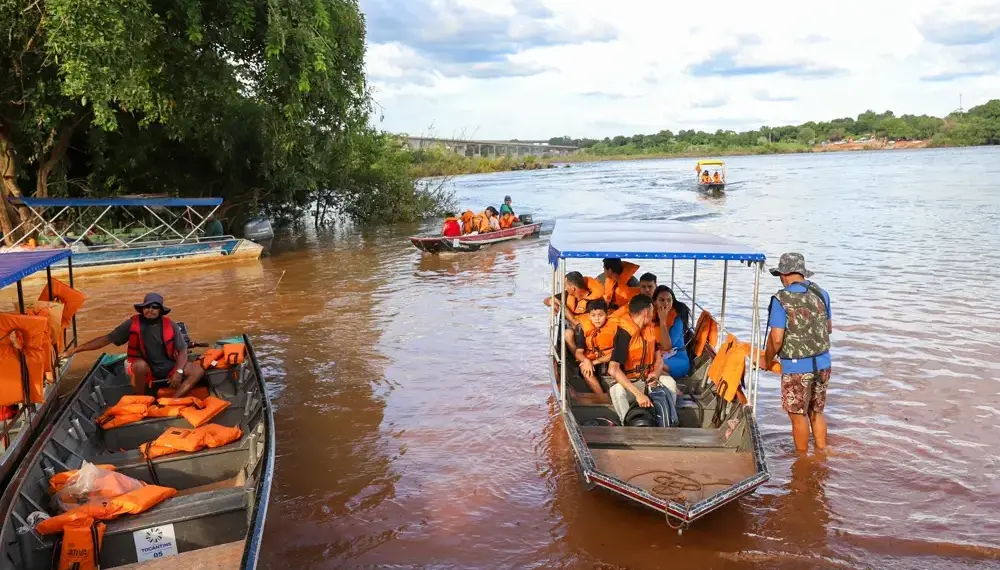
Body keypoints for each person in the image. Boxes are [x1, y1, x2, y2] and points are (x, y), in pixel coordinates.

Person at [60, 293, 205, 396]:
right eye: (147, 307)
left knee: (197, 371)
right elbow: (107, 339)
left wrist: (178, 372)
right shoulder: (132, 324)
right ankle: (142, 399)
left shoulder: (170, 325)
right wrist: (74, 351)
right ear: (142, 309)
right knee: (139, 365)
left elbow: (182, 349)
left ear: (160, 310)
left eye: (155, 307)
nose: (150, 310)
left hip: (168, 366)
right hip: (145, 369)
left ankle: (174, 400)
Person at [762, 253, 832, 453]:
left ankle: (802, 461)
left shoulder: (781, 299)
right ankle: (821, 453)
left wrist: (767, 360)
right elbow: (828, 328)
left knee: (797, 415)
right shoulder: (821, 293)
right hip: (823, 364)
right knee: (816, 412)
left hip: (796, 367)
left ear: (784, 275)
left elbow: (776, 339)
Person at [605, 295, 678, 424]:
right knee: (616, 391)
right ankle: (627, 424)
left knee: (670, 382)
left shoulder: (649, 331)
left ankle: (668, 422)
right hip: (630, 383)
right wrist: (638, 394)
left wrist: (655, 373)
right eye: (652, 311)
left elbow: (659, 360)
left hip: (649, 381)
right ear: (646, 312)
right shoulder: (624, 333)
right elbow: (613, 369)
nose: (653, 314)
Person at [570, 299, 616, 393]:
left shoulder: (615, 326)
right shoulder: (582, 327)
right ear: (589, 316)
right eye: (593, 315)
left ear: (606, 315)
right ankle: (601, 396)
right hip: (591, 357)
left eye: (600, 315)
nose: (597, 319)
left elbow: (617, 352)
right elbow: (578, 352)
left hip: (610, 359)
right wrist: (586, 361)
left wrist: (594, 362)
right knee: (584, 368)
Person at [652, 285, 691, 378]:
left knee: (652, 367)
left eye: (669, 300)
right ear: (655, 302)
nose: (666, 303)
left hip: (677, 359)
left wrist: (663, 322)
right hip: (657, 356)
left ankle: (675, 389)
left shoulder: (677, 320)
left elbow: (667, 347)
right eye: (662, 300)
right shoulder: (650, 314)